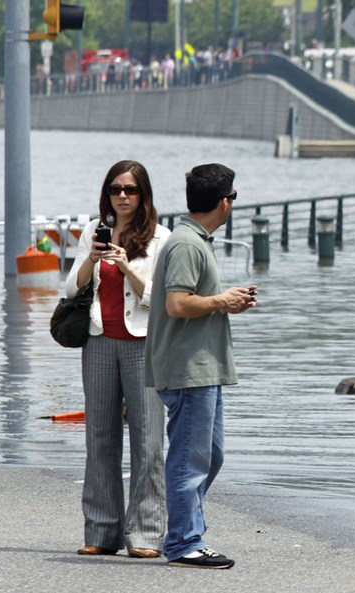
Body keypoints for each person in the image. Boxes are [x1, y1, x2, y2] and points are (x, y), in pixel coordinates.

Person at [145, 163, 257, 570]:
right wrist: (222, 301)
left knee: (209, 456)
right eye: (233, 197)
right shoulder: (187, 244)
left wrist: (228, 303)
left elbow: (192, 302)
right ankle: (184, 542)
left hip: (204, 369)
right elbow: (178, 303)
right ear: (224, 202)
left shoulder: (196, 240)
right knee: (189, 460)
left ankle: (187, 531)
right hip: (189, 370)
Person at [67, 160, 172, 559]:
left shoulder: (161, 238)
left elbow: (160, 299)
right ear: (107, 193)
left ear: (143, 194)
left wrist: (126, 267)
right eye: (116, 189)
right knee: (99, 437)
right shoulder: (95, 231)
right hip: (98, 340)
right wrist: (92, 260)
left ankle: (145, 535)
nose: (123, 197)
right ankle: (102, 530)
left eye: (130, 189)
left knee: (147, 439)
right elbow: (70, 286)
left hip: (143, 343)